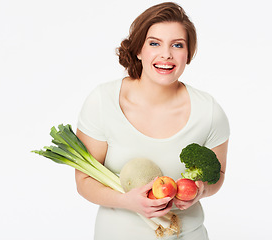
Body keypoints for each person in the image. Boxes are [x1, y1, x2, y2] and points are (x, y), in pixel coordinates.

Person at [75, 2, 230, 239]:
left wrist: (201, 191)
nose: (166, 54)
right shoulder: (103, 102)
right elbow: (84, 180)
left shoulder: (208, 111)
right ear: (139, 50)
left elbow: (217, 176)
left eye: (177, 45)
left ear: (188, 54)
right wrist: (126, 201)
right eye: (154, 43)